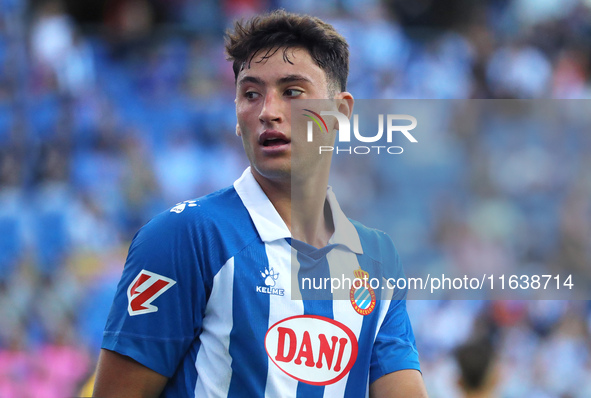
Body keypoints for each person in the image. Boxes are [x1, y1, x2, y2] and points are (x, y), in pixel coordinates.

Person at [93, 10, 428, 398]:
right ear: (237, 116)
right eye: (251, 94)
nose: (268, 111)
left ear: (340, 113)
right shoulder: (184, 237)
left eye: (292, 92)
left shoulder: (377, 258)